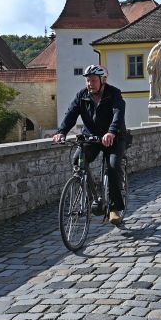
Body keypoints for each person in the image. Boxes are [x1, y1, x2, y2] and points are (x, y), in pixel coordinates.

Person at [52, 65, 127, 225]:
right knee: (77, 160)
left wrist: (112, 132)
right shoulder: (82, 96)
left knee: (112, 166)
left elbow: (118, 113)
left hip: (113, 138)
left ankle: (114, 209)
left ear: (102, 80)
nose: (89, 84)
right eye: (87, 80)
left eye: (93, 80)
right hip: (91, 138)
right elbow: (71, 114)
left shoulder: (114, 93)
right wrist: (62, 131)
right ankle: (91, 194)